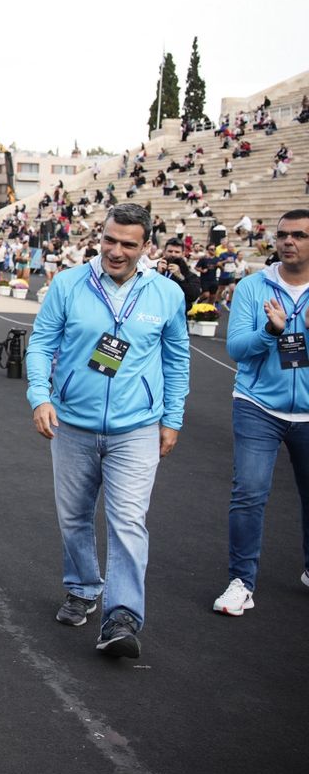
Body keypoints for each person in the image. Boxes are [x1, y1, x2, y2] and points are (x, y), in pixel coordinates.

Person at [25, 203, 189, 660]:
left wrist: (172, 418)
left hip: (137, 428)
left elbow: (177, 360)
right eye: (109, 240)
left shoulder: (166, 294)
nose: (116, 251)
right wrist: (40, 395)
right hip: (72, 424)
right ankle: (82, 587)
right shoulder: (68, 284)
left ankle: (122, 617)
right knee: (74, 516)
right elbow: (41, 343)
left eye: (128, 244)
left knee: (128, 522)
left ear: (147, 246)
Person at [213, 211, 309, 616]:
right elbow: (236, 349)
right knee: (249, 493)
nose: (288, 241)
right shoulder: (254, 286)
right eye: (283, 234)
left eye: (299, 235)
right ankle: (241, 582)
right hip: (257, 405)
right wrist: (271, 332)